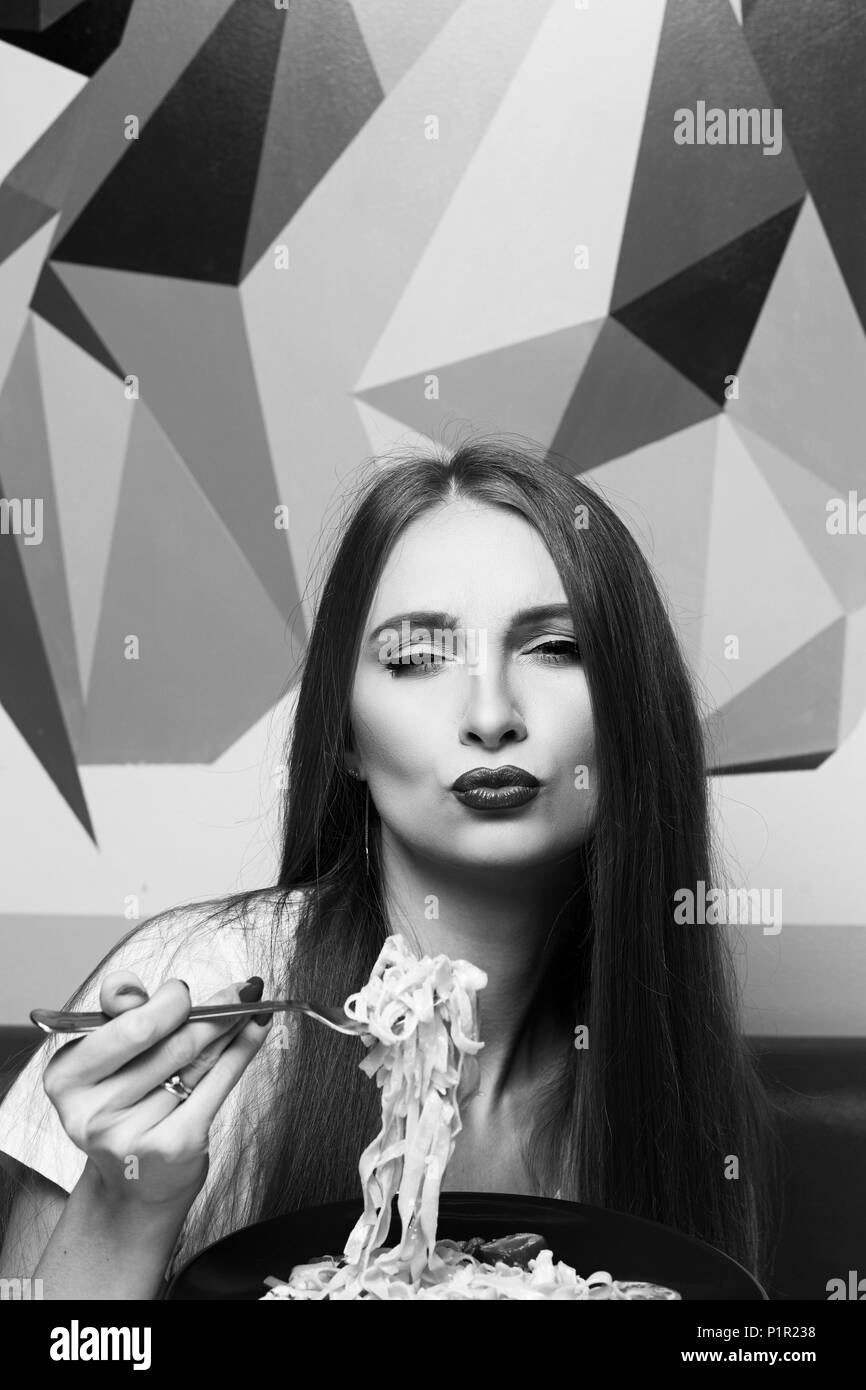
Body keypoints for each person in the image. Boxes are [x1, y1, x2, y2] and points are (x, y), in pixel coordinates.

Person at [0, 434, 780, 1299]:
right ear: (345, 740)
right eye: (415, 658)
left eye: (556, 648)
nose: (491, 715)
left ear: (632, 717)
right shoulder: (203, 982)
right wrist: (124, 1202)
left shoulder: (658, 1065)